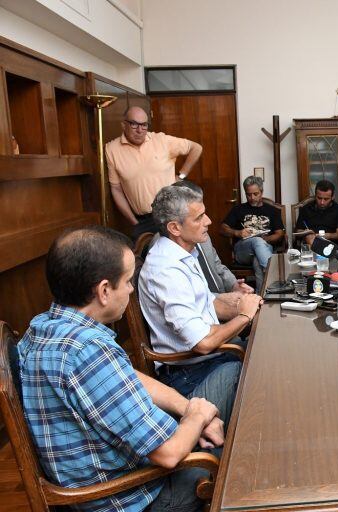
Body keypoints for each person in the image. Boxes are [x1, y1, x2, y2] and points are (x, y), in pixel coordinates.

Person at [18, 226, 223, 512]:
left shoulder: (43, 327)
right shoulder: (88, 352)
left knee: (219, 394)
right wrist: (199, 416)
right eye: (128, 281)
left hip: (109, 483)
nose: (130, 289)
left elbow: (126, 375)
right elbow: (169, 454)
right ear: (103, 290)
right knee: (226, 440)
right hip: (133, 498)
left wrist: (187, 408)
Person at [139, 185, 263, 425]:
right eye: (198, 218)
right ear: (175, 228)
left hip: (208, 361)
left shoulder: (184, 253)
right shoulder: (167, 270)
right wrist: (244, 317)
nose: (208, 221)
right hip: (188, 375)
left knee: (266, 347)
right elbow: (203, 343)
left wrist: (244, 303)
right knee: (260, 375)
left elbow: (208, 304)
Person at [106, 106, 203, 239]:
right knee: (148, 258)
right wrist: (134, 222)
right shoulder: (111, 149)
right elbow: (116, 189)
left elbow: (196, 148)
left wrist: (181, 176)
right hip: (143, 221)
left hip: (174, 214)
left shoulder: (162, 140)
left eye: (144, 125)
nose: (140, 130)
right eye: (134, 124)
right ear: (123, 125)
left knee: (185, 255)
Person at [220, 176, 286, 288]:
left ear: (262, 192)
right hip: (243, 251)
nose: (252, 198)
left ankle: (261, 298)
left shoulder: (272, 210)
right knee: (256, 241)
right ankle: (273, 274)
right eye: (248, 194)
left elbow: (280, 234)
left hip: (264, 248)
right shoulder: (238, 209)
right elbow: (222, 228)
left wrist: (265, 239)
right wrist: (238, 233)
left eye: (256, 194)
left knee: (257, 261)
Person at [294, 179, 338, 247]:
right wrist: (306, 233)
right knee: (309, 238)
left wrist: (327, 236)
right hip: (310, 242)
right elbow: (298, 230)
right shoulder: (306, 208)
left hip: (331, 244)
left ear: (333, 197)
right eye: (319, 198)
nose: (322, 202)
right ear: (315, 196)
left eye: (326, 199)